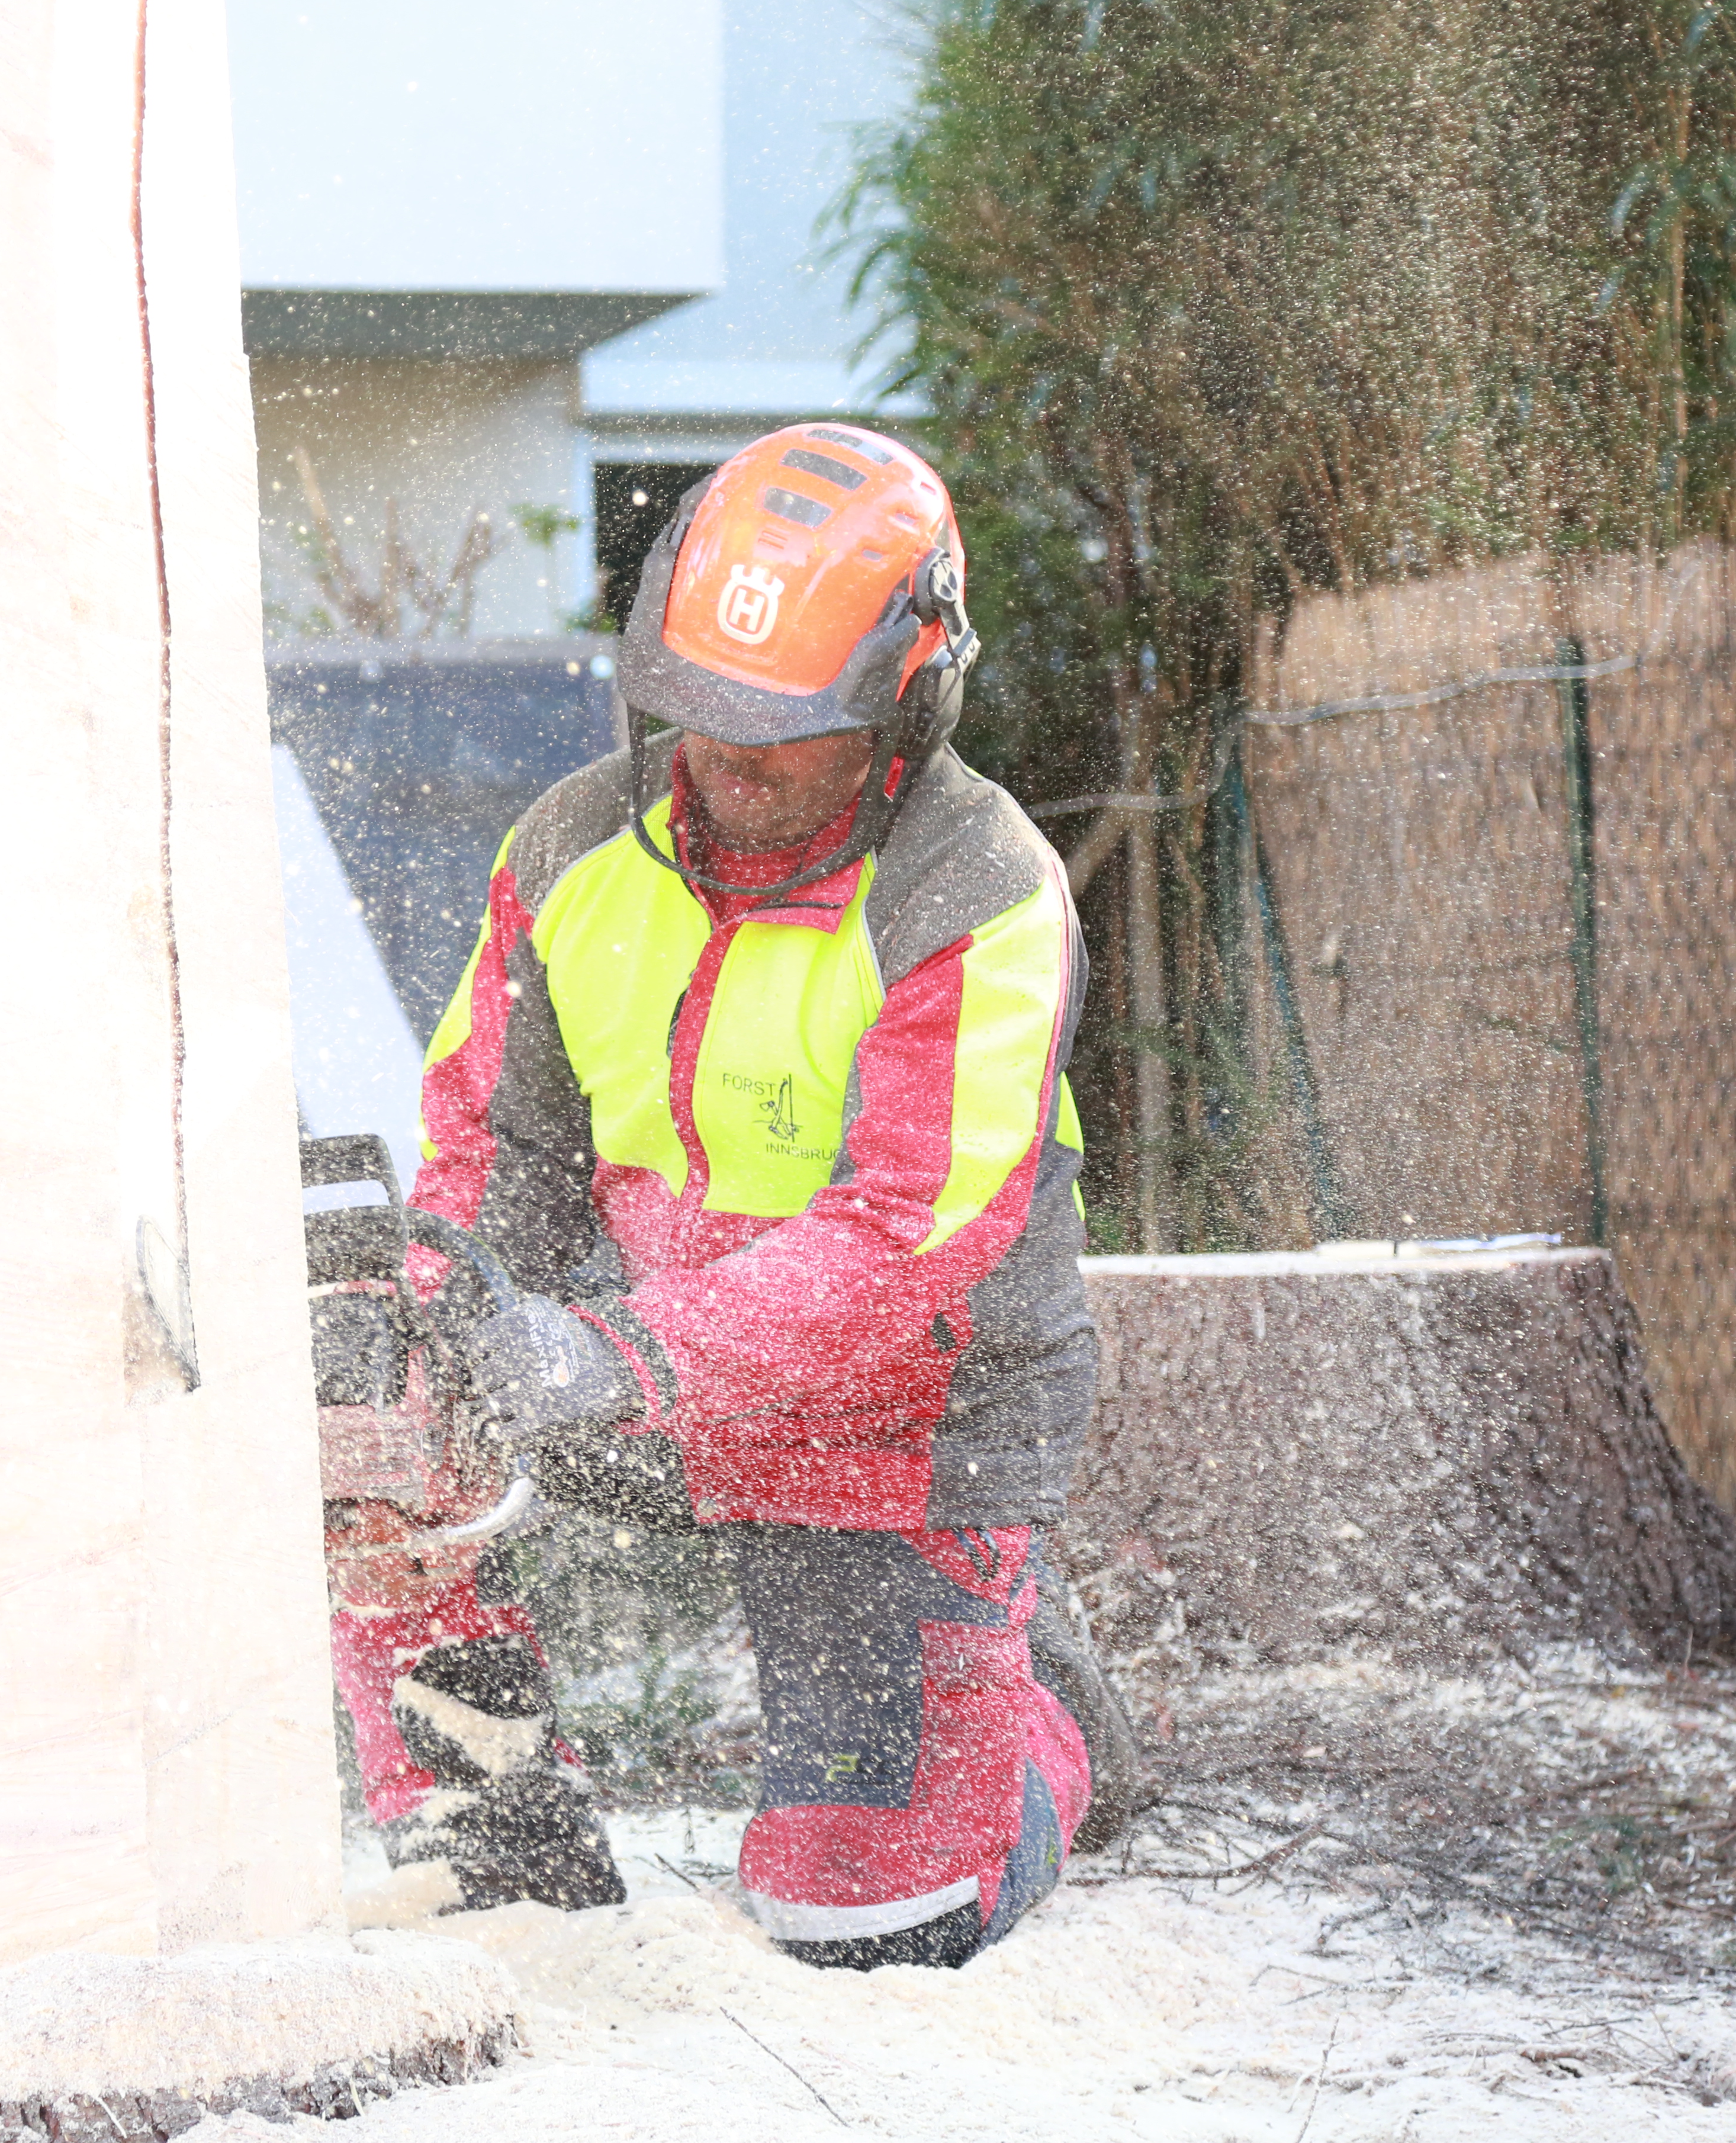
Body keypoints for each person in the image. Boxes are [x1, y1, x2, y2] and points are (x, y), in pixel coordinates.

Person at [325, 423, 1140, 1969]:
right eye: (700, 713)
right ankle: (493, 1828)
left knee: (870, 1917)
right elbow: (498, 1154)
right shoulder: (571, 848)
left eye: (786, 730)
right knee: (367, 1411)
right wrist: (450, 1337)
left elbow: (902, 1243)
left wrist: (611, 1358)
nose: (732, 761)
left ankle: (1040, 1725)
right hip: (637, 1361)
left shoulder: (979, 890)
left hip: (905, 1413)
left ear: (907, 700)